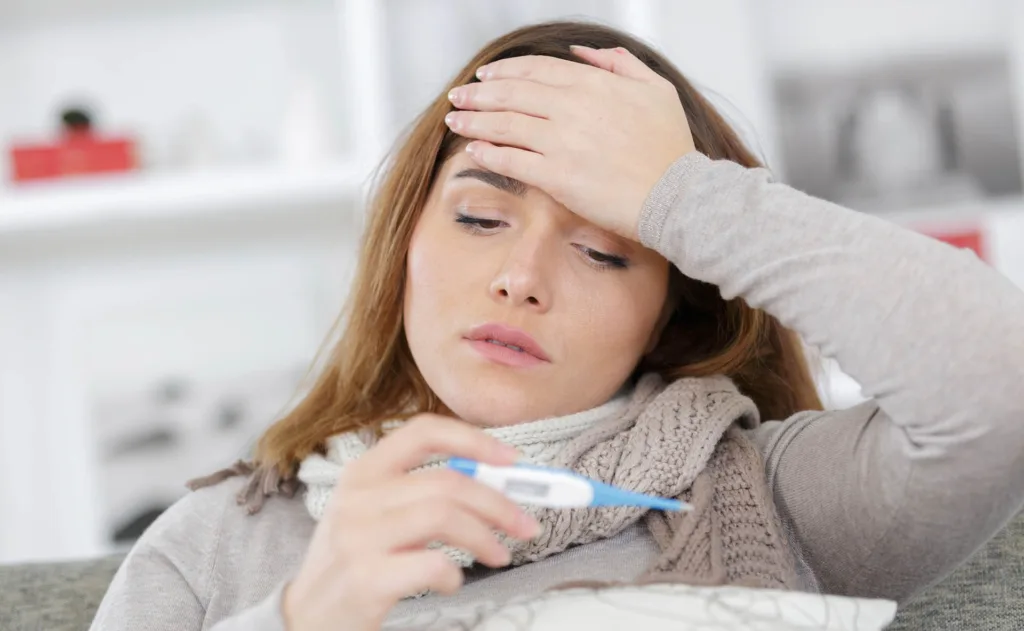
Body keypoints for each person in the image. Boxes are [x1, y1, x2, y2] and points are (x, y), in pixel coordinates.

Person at [89, 21, 1024, 631]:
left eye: (605, 251)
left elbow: (998, 378)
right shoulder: (215, 542)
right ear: (404, 242)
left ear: (668, 311)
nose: (519, 278)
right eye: (481, 218)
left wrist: (681, 195)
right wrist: (300, 617)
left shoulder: (779, 495)